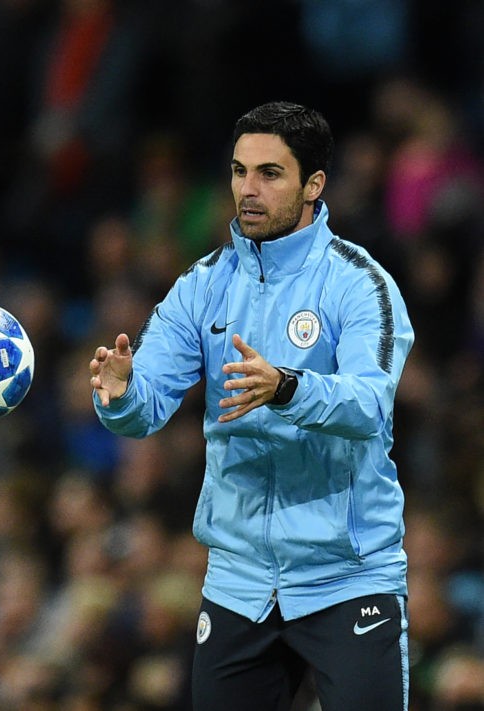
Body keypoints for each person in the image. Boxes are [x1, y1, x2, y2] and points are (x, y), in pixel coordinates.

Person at [88, 102, 415, 710]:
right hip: (239, 582)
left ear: (313, 185)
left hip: (347, 576)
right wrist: (121, 393)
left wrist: (287, 387)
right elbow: (147, 407)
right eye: (239, 172)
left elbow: (372, 404)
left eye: (270, 173)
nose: (248, 189)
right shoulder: (202, 285)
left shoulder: (360, 283)